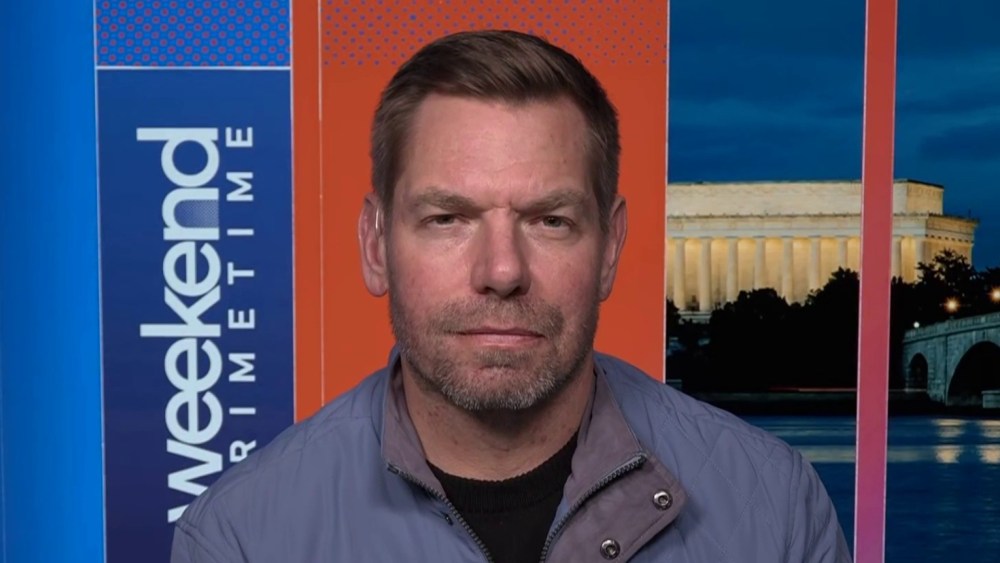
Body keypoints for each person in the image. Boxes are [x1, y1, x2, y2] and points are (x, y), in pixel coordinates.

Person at [170, 29, 852, 562]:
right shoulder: (241, 536)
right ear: (376, 245)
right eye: (448, 219)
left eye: (549, 221)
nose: (501, 270)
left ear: (610, 248)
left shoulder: (775, 510)